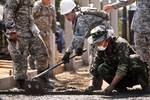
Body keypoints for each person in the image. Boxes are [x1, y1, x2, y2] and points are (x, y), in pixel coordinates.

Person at [85, 25, 149, 94]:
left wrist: (111, 86)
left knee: (135, 59)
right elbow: (95, 68)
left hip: (131, 75)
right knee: (101, 68)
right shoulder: (101, 49)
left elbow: (123, 67)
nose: (98, 44)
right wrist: (90, 84)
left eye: (100, 41)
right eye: (96, 42)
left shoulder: (121, 44)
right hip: (119, 78)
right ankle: (120, 88)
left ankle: (146, 87)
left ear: (107, 38)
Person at [3, 0, 53, 89]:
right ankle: (21, 83)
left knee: (42, 53)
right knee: (20, 59)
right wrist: (11, 31)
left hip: (31, 31)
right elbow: (8, 13)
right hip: (18, 33)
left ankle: (43, 79)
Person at [103, 0, 150, 85]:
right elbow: (128, 0)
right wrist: (113, 6)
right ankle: (146, 80)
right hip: (140, 27)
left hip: (142, 26)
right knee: (142, 56)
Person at [31, 0, 56, 78]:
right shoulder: (37, 6)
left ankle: (45, 76)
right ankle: (39, 75)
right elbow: (30, 18)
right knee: (40, 54)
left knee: (47, 54)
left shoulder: (51, 7)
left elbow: (53, 19)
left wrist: (54, 30)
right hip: (37, 34)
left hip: (46, 34)